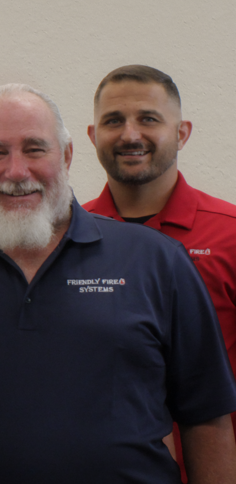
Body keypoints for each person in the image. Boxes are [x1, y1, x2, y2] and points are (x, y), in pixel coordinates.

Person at [0, 83, 236, 484]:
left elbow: (206, 419)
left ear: (68, 155)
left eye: (35, 149)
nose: (16, 172)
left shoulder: (156, 260)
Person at [84, 64, 236, 477]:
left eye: (149, 119)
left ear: (182, 133)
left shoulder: (230, 235)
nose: (130, 134)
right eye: (113, 121)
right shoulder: (66, 239)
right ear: (92, 136)